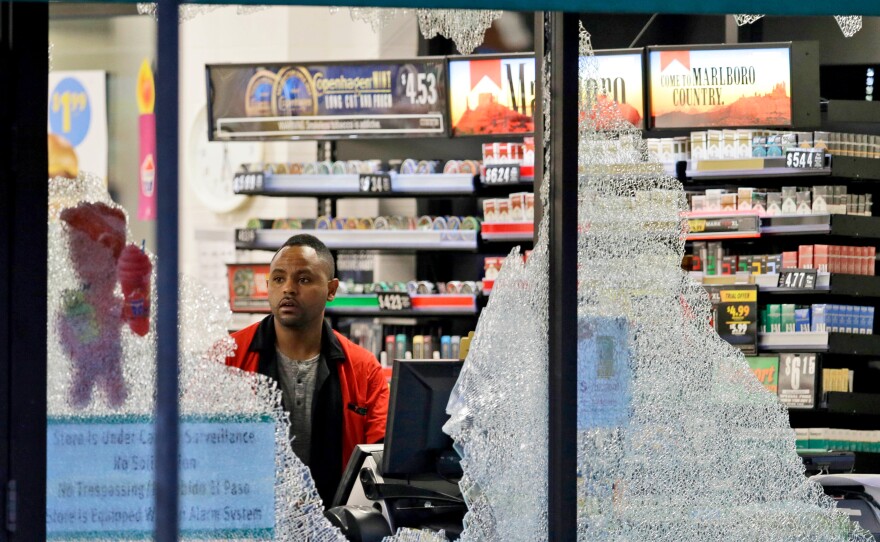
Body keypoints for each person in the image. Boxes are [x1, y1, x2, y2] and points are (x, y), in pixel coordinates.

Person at [226, 234, 389, 502]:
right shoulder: (228, 357)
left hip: (337, 524)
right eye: (278, 279)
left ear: (331, 289)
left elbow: (380, 457)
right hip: (250, 519)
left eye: (303, 279)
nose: (288, 289)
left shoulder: (363, 368)